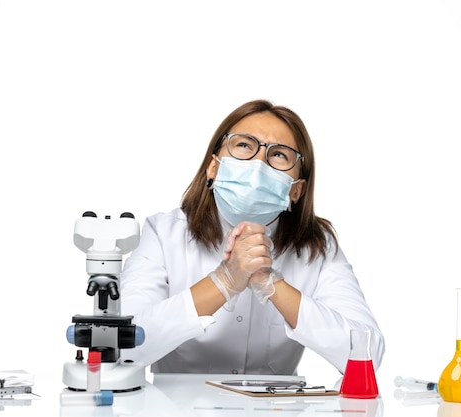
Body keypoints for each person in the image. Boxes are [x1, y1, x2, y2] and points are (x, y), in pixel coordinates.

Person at [120, 99, 385, 375]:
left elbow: (367, 354)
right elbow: (121, 347)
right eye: (244, 145)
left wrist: (272, 285)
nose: (259, 164)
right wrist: (224, 282)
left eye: (279, 155)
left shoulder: (317, 247)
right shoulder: (163, 234)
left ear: (296, 190)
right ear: (214, 167)